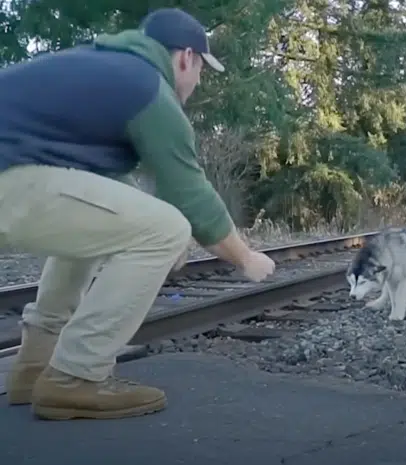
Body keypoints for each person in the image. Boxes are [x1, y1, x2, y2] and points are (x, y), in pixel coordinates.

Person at [0, 7, 276, 420]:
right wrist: (245, 258)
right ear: (186, 57)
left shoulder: (108, 69)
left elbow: (100, 191)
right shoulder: (149, 86)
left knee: (108, 227)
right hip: (9, 177)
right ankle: (76, 376)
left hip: (14, 172)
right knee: (166, 228)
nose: (198, 81)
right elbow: (192, 194)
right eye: (201, 68)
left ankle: (35, 366)